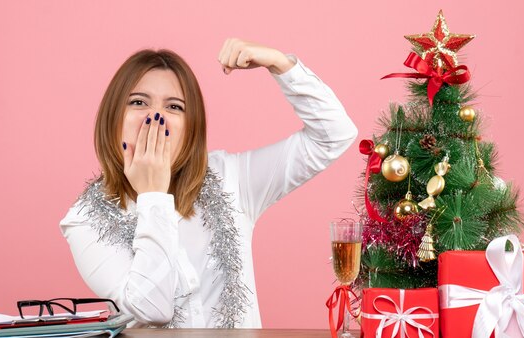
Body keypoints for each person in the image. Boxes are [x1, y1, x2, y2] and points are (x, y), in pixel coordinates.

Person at [60, 39, 358, 328]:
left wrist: (280, 64)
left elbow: (334, 135)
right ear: (113, 117)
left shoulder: (231, 177)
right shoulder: (85, 220)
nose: (155, 116)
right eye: (139, 102)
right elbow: (152, 309)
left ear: (192, 126)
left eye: (174, 107)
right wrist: (153, 195)